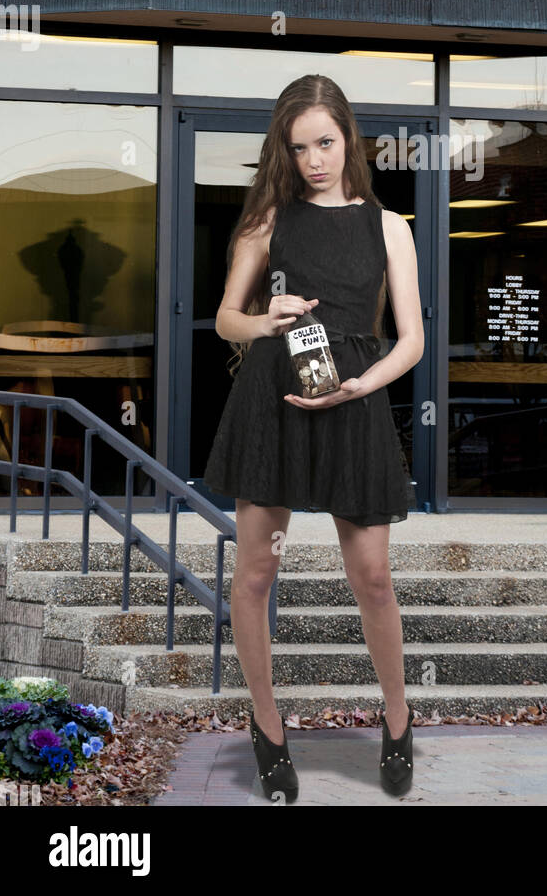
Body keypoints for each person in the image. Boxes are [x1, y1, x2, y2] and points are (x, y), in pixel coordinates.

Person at [203, 73, 424, 800]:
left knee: (375, 580)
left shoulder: (388, 226)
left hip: (354, 400)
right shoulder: (270, 218)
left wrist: (367, 384)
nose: (313, 160)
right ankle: (267, 727)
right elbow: (225, 318)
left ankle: (397, 721)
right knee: (256, 576)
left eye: (324, 143)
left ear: (347, 139)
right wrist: (263, 320)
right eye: (299, 148)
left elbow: (412, 341)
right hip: (273, 398)